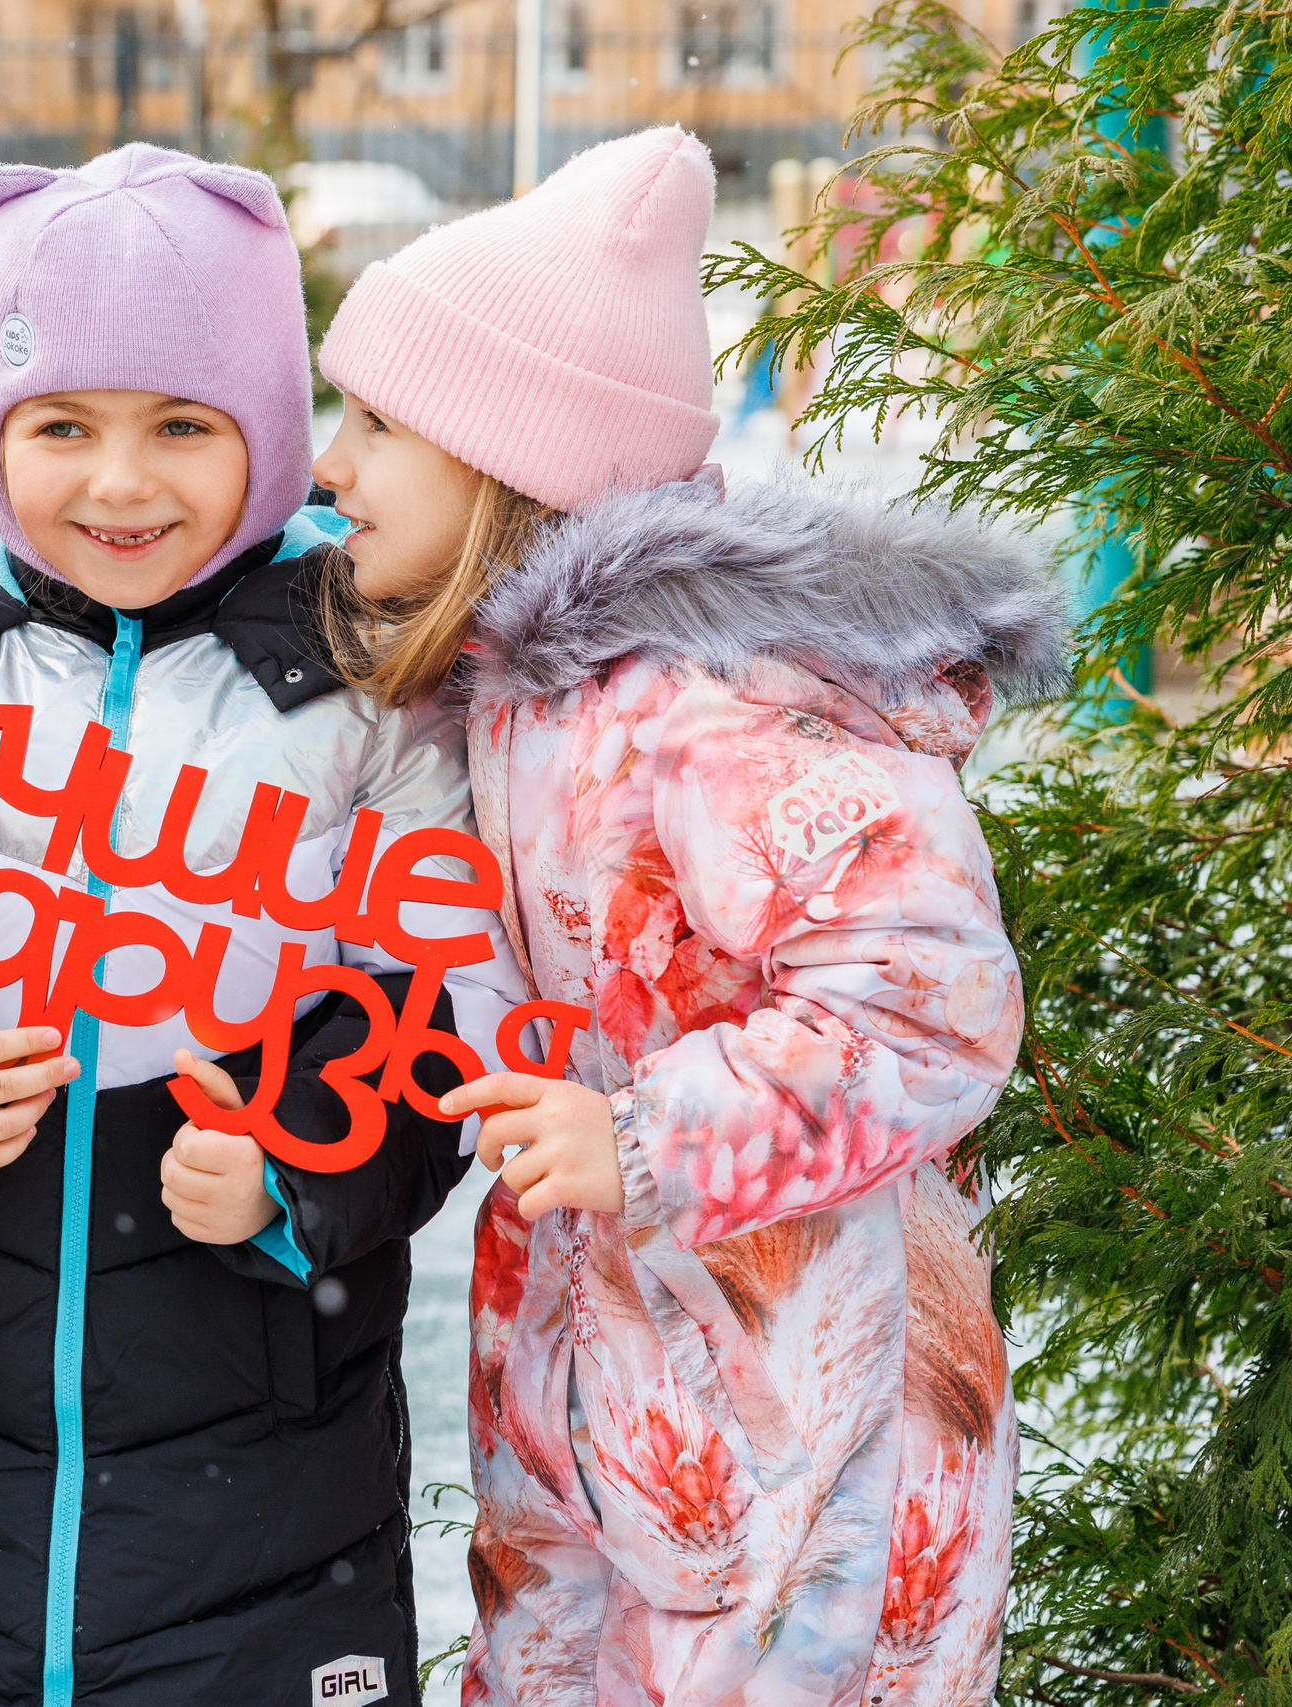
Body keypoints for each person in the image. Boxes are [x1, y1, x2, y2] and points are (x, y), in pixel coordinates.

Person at [0, 143, 531, 1706]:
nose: (121, 483)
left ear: (275, 433)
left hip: (262, 1513)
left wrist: (297, 1157)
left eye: (184, 426)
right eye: (62, 427)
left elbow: (445, 1012)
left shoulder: (364, 694)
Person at [310, 126, 1065, 1705]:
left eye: (378, 422)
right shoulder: (521, 711)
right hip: (607, 1419)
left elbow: (929, 1001)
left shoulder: (716, 709)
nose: (333, 462)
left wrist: (652, 1135)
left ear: (513, 454)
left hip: (809, 1473)